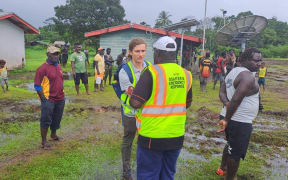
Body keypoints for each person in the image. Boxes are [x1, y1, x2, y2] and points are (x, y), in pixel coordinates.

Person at [130, 36, 193, 180]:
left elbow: (135, 103)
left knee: (148, 175)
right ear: (175, 54)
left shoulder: (151, 72)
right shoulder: (186, 74)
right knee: (168, 174)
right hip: (176, 136)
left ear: (157, 53)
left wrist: (132, 93)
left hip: (152, 136)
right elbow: (187, 103)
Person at [216, 47, 262, 180]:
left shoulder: (233, 71)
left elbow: (222, 92)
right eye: (256, 61)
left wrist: (226, 106)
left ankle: (222, 168)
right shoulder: (247, 76)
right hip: (239, 121)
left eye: (260, 61)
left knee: (230, 145)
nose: (259, 63)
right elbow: (236, 99)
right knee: (235, 153)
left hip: (229, 117)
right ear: (246, 60)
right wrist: (227, 119)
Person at [118, 38, 150, 180]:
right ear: (130, 52)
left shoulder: (150, 67)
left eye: (143, 51)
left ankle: (144, 169)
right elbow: (133, 93)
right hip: (130, 113)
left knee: (145, 141)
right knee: (128, 140)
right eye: (137, 51)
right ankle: (126, 172)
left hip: (147, 114)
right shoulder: (124, 71)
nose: (141, 54)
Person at [34, 46, 65, 149]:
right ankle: (43, 142)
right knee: (46, 120)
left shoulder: (58, 66)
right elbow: (37, 86)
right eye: (53, 54)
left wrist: (62, 92)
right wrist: (44, 99)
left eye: (57, 54)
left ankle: (53, 135)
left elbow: (61, 80)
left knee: (57, 118)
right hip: (49, 99)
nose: (56, 56)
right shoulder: (42, 69)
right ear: (48, 54)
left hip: (60, 98)